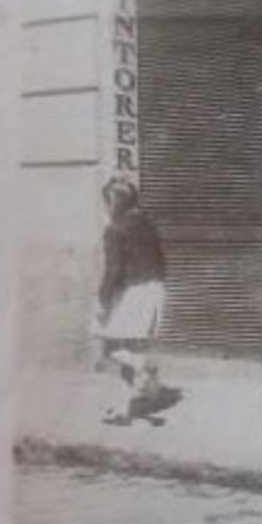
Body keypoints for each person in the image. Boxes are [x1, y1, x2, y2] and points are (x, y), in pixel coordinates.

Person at [92, 176, 170, 424]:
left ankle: (146, 366)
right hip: (155, 288)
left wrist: (102, 300)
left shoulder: (114, 229)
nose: (106, 206)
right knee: (129, 347)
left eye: (108, 200)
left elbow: (113, 270)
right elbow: (162, 261)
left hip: (134, 291)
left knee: (110, 349)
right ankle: (124, 409)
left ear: (115, 202)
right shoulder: (148, 224)